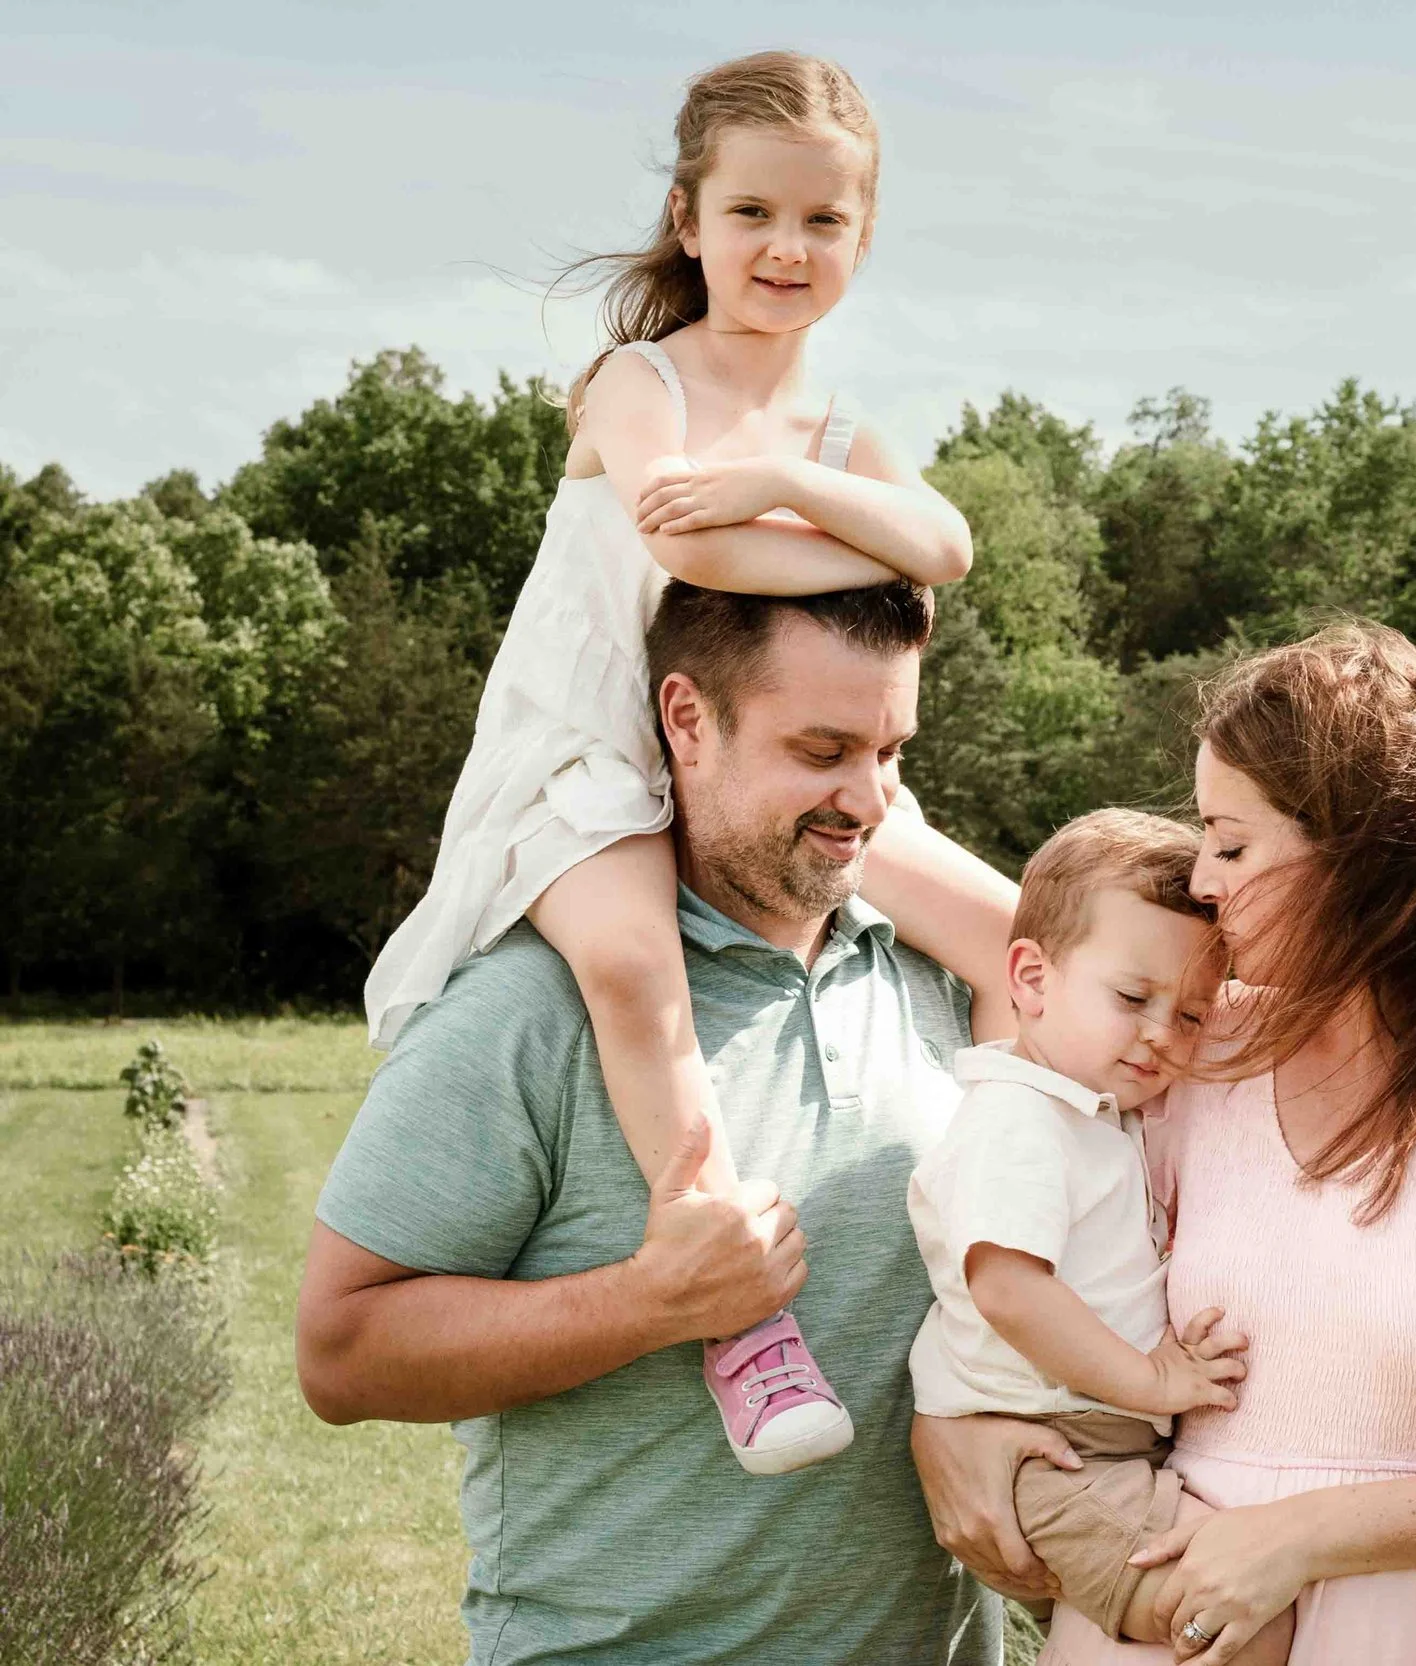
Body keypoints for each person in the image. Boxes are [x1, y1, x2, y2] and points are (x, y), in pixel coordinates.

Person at [360, 50, 974, 1476]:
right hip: (597, 749)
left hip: (773, 757)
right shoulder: (633, 381)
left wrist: (782, 483)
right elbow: (682, 545)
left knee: (1008, 931)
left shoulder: (832, 433)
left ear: (861, 240)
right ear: (689, 220)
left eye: (823, 222)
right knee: (633, 973)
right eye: (753, 212)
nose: (786, 247)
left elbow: (942, 554)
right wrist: (840, 534)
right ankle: (732, 1301)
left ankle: (1049, 1251)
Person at [894, 622, 1416, 1666]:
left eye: (1232, 844)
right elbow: (989, 909)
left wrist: (1301, 1539)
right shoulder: (1195, 1044)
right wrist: (954, 1431)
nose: (1202, 881)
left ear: (1366, 858)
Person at [297, 578, 1026, 1663]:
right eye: (821, 750)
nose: (867, 798)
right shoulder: (530, 1009)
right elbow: (341, 1351)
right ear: (687, 719)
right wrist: (649, 1302)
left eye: (891, 752)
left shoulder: (938, 975)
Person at [906, 811, 1293, 1665]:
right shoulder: (1018, 1120)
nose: (1162, 1033)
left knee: (1245, 1586)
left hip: (1096, 1448)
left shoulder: (1093, 1116)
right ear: (1032, 979)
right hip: (1050, 1451)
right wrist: (1151, 1376)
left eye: (1191, 1016)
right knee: (1239, 1616)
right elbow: (1009, 1289)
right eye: (1132, 999)